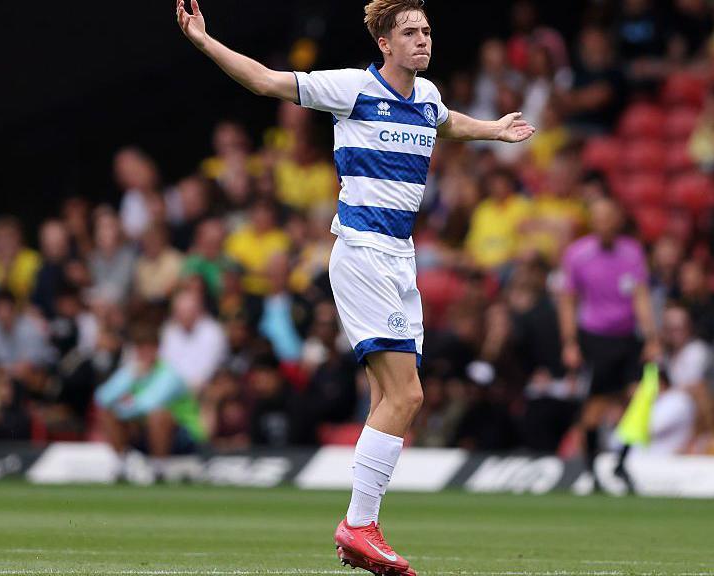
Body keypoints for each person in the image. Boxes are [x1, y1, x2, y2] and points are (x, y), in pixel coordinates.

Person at [176, 1, 535, 573]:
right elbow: (266, 81)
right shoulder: (352, 88)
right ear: (385, 45)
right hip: (363, 252)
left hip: (401, 258)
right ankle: (358, 524)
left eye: (427, 30)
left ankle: (362, 524)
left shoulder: (428, 96)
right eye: (410, 32)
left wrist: (492, 129)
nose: (423, 40)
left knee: (385, 398)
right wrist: (205, 41)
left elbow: (447, 122)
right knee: (409, 395)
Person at [558, 198, 660, 475]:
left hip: (627, 337)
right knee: (596, 404)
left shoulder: (632, 253)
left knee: (639, 395)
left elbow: (641, 297)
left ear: (617, 221)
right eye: (599, 218)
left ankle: (621, 460)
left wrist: (651, 337)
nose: (604, 224)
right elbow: (568, 301)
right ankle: (591, 467)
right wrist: (570, 343)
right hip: (595, 338)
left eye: (609, 218)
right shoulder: (578, 255)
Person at [95, 324, 207, 478]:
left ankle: (159, 470)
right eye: (141, 348)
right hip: (146, 432)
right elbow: (101, 398)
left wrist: (123, 407)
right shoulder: (132, 371)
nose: (145, 353)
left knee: (158, 415)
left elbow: (149, 404)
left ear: (157, 349)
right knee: (109, 413)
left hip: (183, 437)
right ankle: (121, 465)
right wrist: (129, 378)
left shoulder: (169, 374)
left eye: (149, 348)